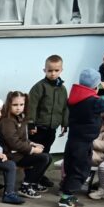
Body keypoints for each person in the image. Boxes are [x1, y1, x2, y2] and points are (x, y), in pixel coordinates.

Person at [58, 69, 104, 207]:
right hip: (83, 143)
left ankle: (66, 194)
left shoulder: (75, 97)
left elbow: (89, 97)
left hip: (73, 140)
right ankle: (66, 198)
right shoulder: (93, 102)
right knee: (80, 170)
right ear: (96, 85)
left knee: (71, 168)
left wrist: (100, 92)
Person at [0, 91, 51, 199]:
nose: (18, 108)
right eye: (15, 105)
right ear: (9, 104)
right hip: (11, 155)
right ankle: (25, 186)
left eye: (21, 104)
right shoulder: (7, 121)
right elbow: (13, 143)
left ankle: (33, 183)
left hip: (20, 153)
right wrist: (32, 150)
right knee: (43, 158)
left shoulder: (20, 117)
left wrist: (32, 144)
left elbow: (22, 138)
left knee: (48, 157)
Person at [27, 55, 68, 189]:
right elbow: (32, 106)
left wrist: (65, 124)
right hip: (39, 128)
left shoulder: (62, 89)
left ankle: (40, 175)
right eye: (50, 70)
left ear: (61, 70)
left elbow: (65, 107)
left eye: (56, 70)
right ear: (44, 70)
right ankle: (31, 177)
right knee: (37, 153)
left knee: (47, 152)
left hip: (52, 128)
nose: (53, 73)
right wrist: (31, 123)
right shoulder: (39, 87)